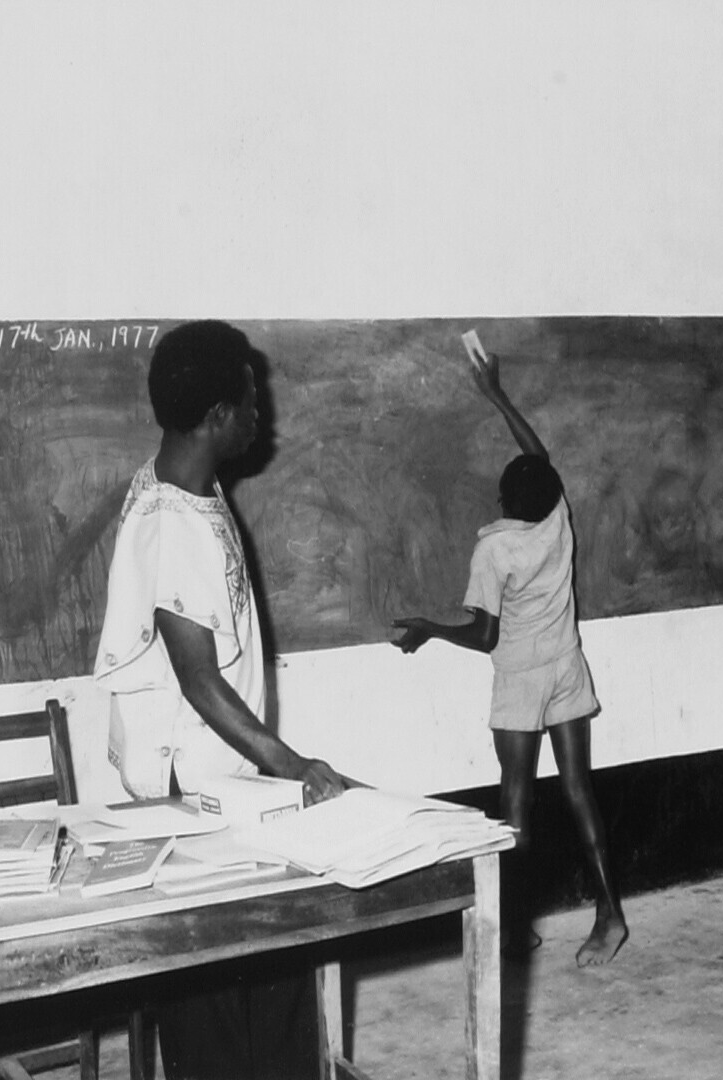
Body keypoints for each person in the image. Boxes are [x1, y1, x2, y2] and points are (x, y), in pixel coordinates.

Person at [94, 319, 348, 1079]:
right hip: (194, 792)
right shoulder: (173, 522)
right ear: (216, 417)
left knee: (273, 971)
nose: (260, 413)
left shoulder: (188, 484)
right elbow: (199, 680)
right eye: (250, 400)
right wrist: (296, 766)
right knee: (217, 1006)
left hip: (224, 779)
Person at [391, 349, 628, 967]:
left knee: (516, 803)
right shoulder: (558, 517)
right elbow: (540, 457)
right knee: (578, 790)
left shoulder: (495, 551)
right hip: (567, 666)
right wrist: (496, 396)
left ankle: (511, 929)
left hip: (521, 680)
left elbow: (486, 637)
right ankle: (610, 914)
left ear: (502, 502)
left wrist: (430, 629)